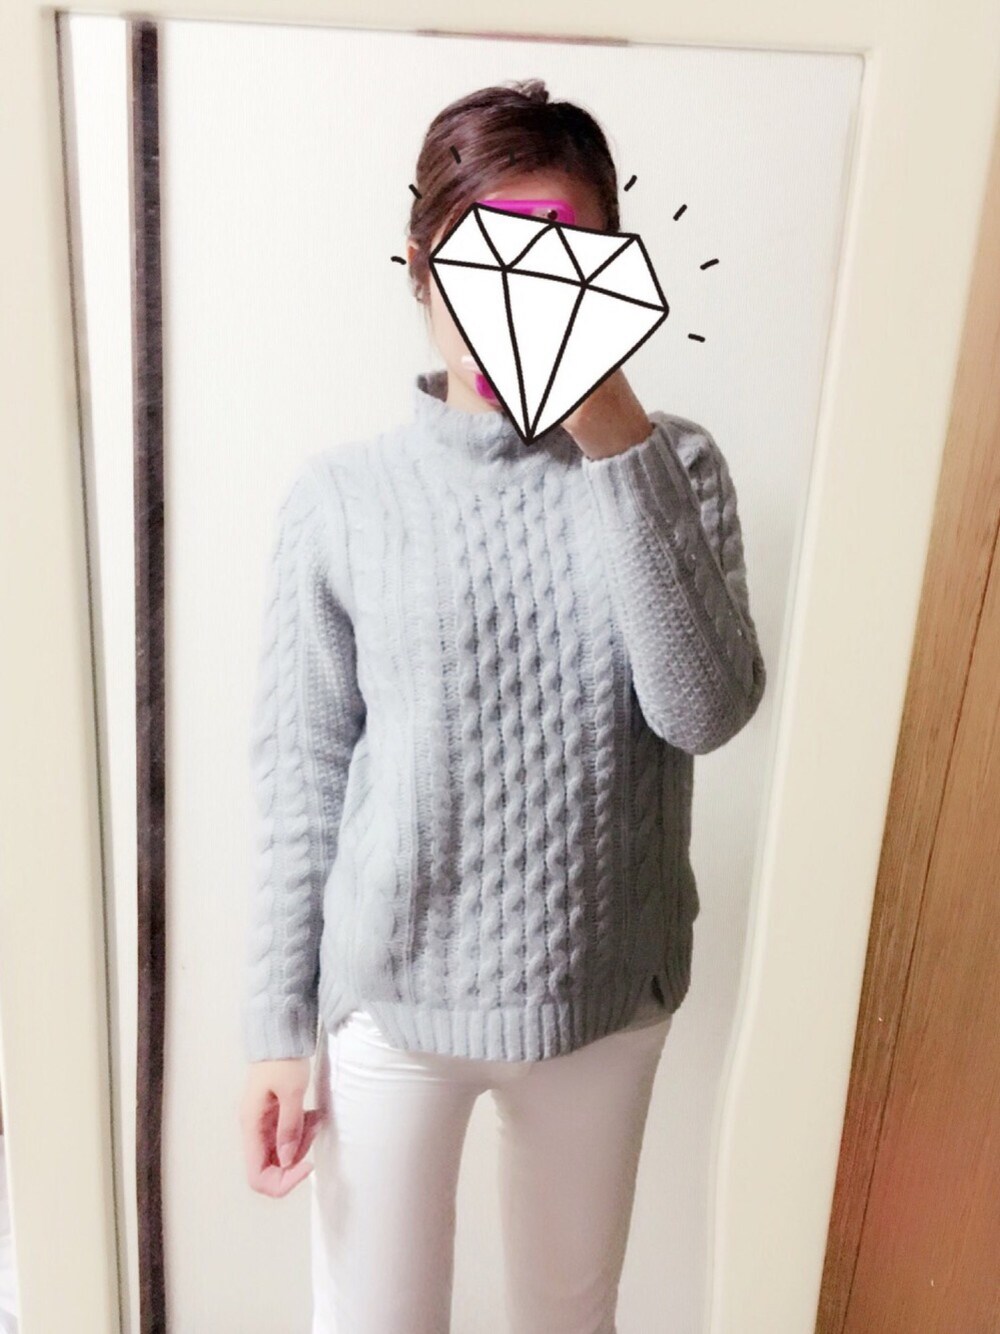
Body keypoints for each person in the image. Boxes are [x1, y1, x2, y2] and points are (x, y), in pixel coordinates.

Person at [238, 78, 767, 1334]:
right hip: (392, 994)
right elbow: (303, 772)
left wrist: (612, 428)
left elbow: (703, 711)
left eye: (554, 261)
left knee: (567, 1314)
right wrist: (276, 1024)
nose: (512, 299)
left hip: (603, 994)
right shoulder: (343, 496)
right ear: (422, 269)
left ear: (606, 272)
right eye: (480, 261)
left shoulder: (675, 461)